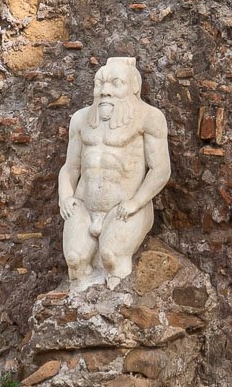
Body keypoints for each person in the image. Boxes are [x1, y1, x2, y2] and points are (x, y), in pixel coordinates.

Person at [58, 57, 171, 291]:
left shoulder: (149, 117)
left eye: (115, 83)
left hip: (124, 208)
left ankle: (116, 310)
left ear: (133, 87)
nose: (105, 91)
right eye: (100, 84)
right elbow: (70, 167)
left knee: (111, 257)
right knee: (74, 261)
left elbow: (160, 170)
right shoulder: (80, 119)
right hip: (85, 207)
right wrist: (65, 197)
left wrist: (135, 203)